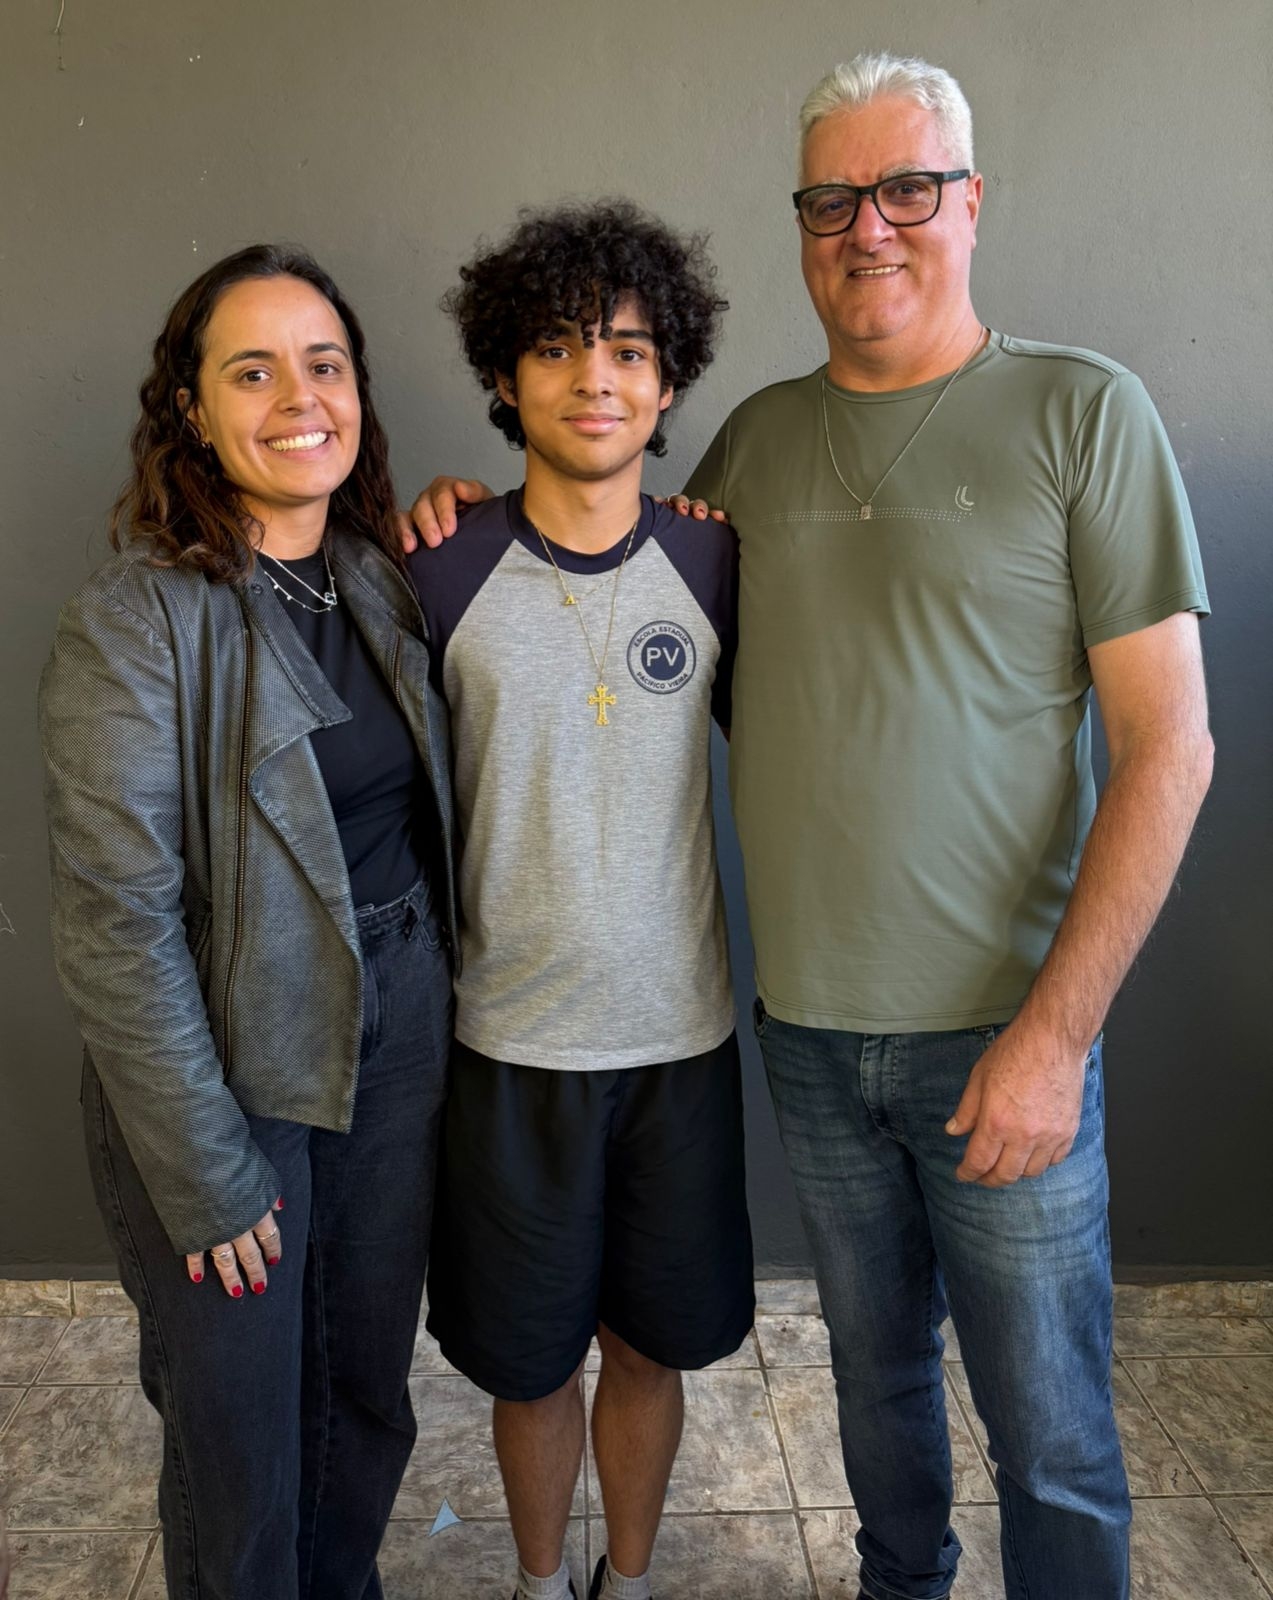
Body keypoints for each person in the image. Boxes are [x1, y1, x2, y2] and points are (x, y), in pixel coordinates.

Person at [408, 53, 1213, 1600]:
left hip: (1003, 1033)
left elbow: (1169, 748)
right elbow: (614, 578)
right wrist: (457, 512)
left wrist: (1056, 1037)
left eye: (906, 188)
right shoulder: (751, 456)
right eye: (832, 198)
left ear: (968, 202)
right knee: (876, 1391)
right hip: (804, 1042)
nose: (869, 227)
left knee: (1048, 1434)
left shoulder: (1081, 411)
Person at [40, 245, 455, 1600]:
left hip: (398, 1030)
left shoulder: (377, 577)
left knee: (364, 1387)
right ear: (194, 409)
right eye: (253, 371)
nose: (298, 398)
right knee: (242, 1438)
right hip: (228, 1059)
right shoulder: (135, 619)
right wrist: (207, 1168)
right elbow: (116, 927)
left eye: (323, 365)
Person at [407, 201, 753, 1600]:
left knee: (650, 1350)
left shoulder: (718, 559)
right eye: (555, 348)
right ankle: (542, 1583)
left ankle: (632, 1580)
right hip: (509, 1048)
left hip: (678, 1042)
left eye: (627, 350)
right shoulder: (434, 565)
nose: (593, 378)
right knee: (530, 1360)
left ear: (667, 383)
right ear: (504, 376)